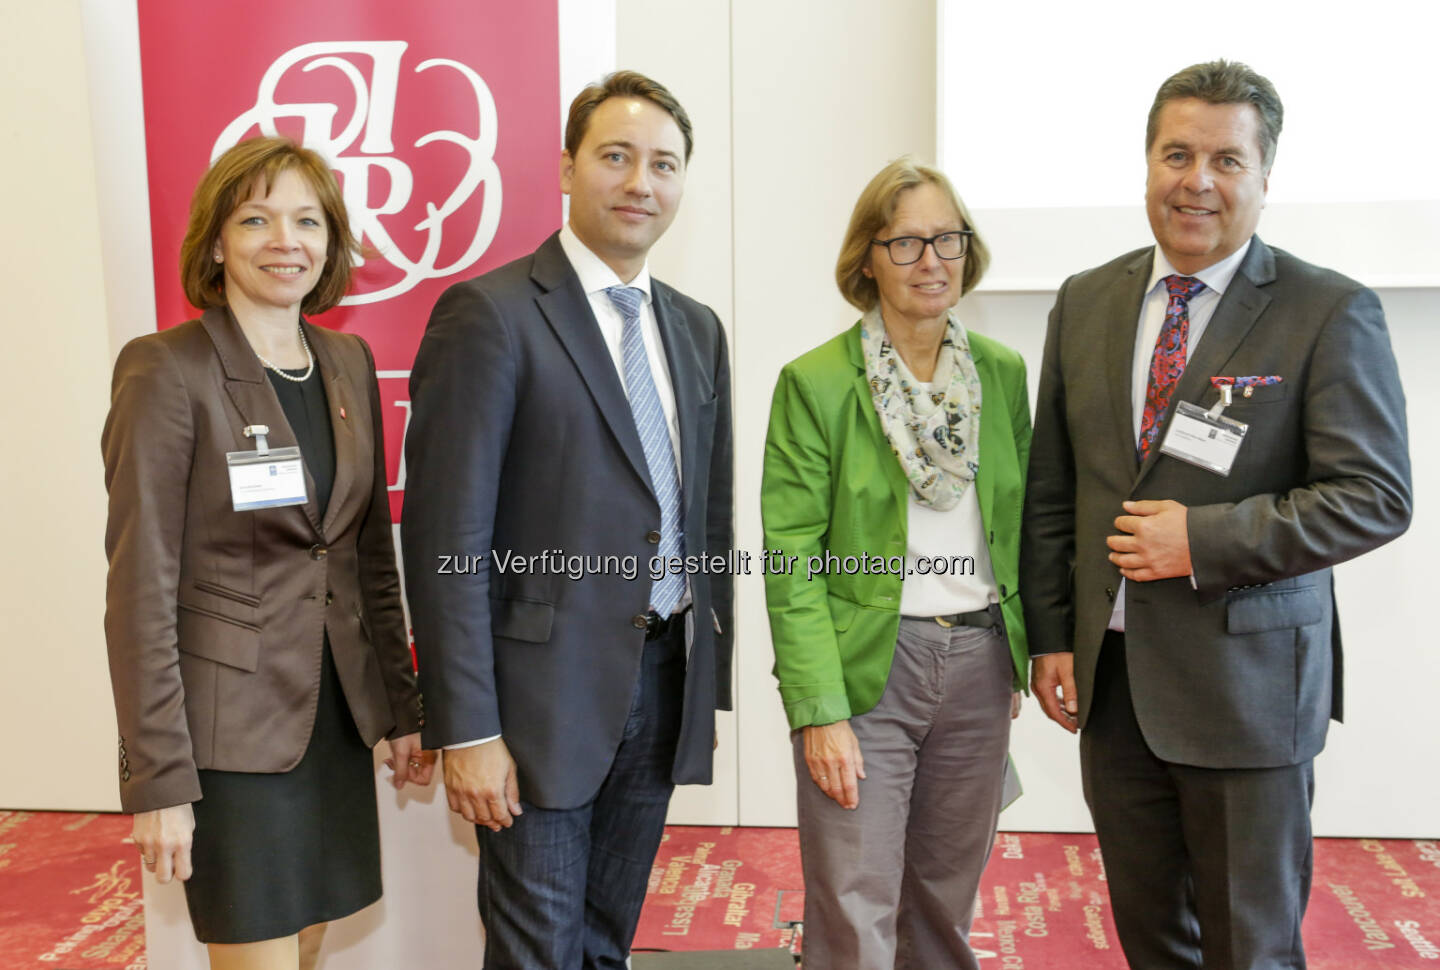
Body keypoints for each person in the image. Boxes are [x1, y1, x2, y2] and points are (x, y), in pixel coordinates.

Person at [1021, 60, 1412, 970]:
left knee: (1251, 948)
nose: (1197, 180)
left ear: (1265, 179)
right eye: (1177, 154)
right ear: (1148, 165)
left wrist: (1199, 540)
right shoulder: (1087, 299)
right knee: (1152, 939)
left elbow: (1374, 497)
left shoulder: (1326, 309)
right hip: (1114, 690)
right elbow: (1055, 488)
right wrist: (1050, 636)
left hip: (1249, 696)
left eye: (1227, 160)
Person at [401, 70, 733, 969]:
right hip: (534, 702)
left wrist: (709, 674)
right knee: (537, 949)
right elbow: (444, 539)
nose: (640, 183)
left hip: (662, 679)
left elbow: (706, 515)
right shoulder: (491, 315)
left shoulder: (696, 330)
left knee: (605, 944)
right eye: (616, 157)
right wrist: (466, 728)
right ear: (565, 166)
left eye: (664, 164)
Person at [102, 136, 434, 970]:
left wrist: (400, 707)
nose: (286, 240)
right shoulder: (166, 369)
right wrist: (159, 781)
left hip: (334, 720)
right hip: (229, 737)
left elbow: (364, 554)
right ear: (218, 240)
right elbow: (141, 588)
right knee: (258, 952)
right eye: (257, 219)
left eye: (307, 220)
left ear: (331, 242)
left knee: (312, 937)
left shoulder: (347, 361)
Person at [761, 157, 1030, 970]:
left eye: (947, 239)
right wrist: (818, 708)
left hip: (980, 661)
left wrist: (1028, 650)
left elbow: (1028, 525)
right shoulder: (816, 383)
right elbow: (792, 557)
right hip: (865, 669)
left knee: (946, 902)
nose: (931, 260)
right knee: (853, 903)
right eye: (907, 241)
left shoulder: (1003, 374)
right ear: (866, 258)